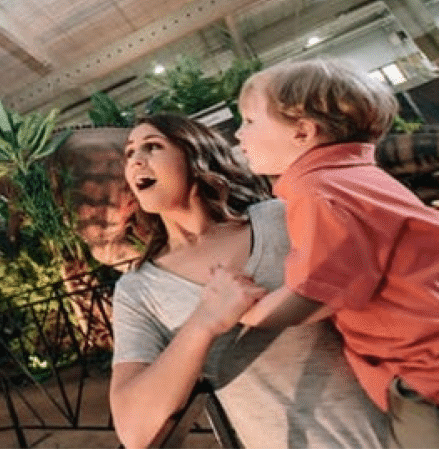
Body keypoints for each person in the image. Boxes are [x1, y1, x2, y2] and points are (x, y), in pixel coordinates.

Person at [110, 113, 387, 449]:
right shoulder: (138, 290)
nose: (136, 160)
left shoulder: (281, 217)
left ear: (195, 154)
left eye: (152, 146)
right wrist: (203, 323)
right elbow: (133, 431)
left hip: (397, 429)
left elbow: (378, 270)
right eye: (129, 154)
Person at [234, 57, 439, 447]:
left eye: (248, 120)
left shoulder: (317, 193)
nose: (239, 136)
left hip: (424, 376)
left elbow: (316, 296)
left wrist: (244, 310)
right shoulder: (362, 176)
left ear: (303, 131)